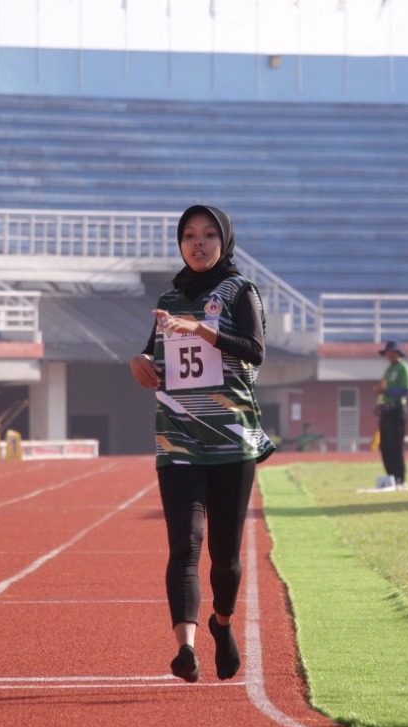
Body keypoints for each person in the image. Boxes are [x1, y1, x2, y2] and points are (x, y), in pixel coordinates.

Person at [129, 204, 273, 684]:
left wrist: (203, 330)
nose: (198, 243)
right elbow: (153, 355)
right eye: (189, 235)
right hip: (178, 438)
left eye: (209, 234)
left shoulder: (239, 291)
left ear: (223, 241)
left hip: (231, 439)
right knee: (184, 545)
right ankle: (185, 648)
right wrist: (140, 362)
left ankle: (222, 623)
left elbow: (255, 351)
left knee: (226, 556)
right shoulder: (170, 297)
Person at [373, 340, 408, 491]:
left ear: (398, 353)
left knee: (396, 445)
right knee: (385, 445)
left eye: (391, 352)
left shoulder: (404, 369)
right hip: (386, 410)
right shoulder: (388, 370)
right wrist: (379, 403)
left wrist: (386, 392)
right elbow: (383, 388)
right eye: (387, 353)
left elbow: (407, 391)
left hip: (397, 409)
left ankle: (400, 478)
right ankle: (390, 477)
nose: (388, 355)